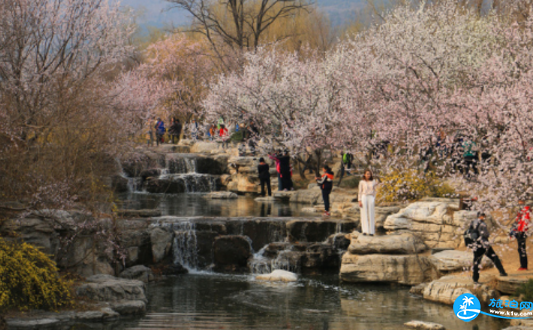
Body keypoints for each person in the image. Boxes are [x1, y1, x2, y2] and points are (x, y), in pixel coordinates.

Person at [469, 212, 507, 283]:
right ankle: (502, 271)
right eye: (484, 216)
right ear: (482, 216)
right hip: (483, 244)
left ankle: (475, 279)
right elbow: (485, 234)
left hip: (475, 244)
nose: (485, 217)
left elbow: (469, 231)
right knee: (494, 257)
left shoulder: (473, 222)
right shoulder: (483, 224)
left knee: (476, 261)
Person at [358, 169, 380, 236]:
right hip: (364, 196)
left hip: (371, 197)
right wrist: (359, 200)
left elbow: (376, 190)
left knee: (371, 213)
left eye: (369, 174)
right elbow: (360, 191)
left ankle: (371, 231)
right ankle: (365, 230)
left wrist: (374, 198)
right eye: (367, 174)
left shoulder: (373, 181)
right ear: (364, 174)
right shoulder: (362, 182)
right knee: (364, 213)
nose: (368, 175)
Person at [512, 199, 531, 271]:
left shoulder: (526, 210)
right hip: (518, 230)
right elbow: (517, 220)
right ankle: (522, 265)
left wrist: (522, 230)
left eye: (521, 201)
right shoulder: (520, 210)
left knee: (522, 248)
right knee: (520, 248)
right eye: (519, 201)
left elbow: (526, 221)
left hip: (522, 231)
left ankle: (524, 266)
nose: (520, 202)